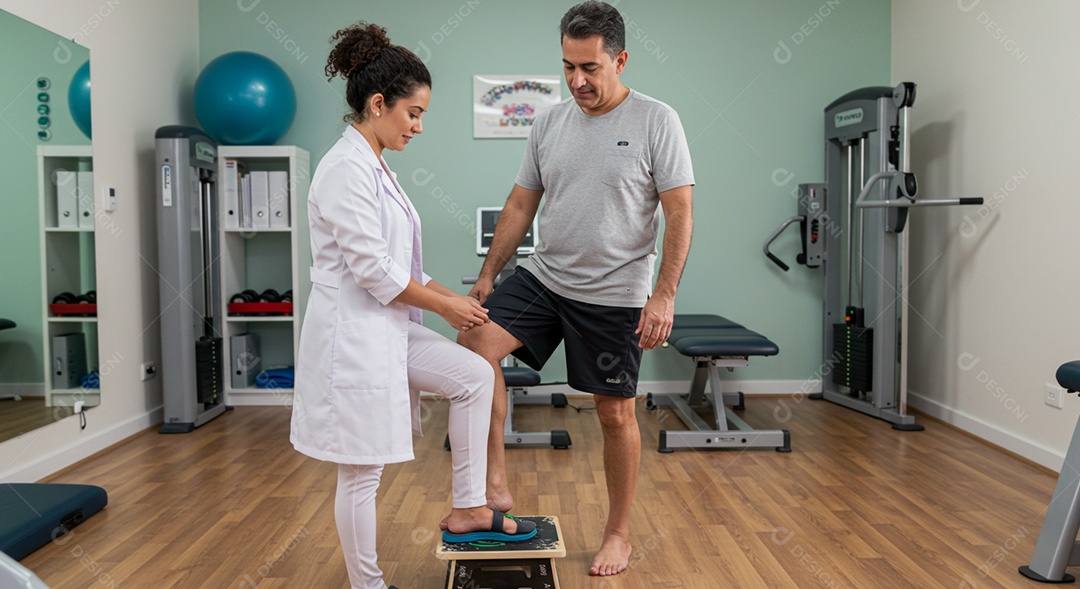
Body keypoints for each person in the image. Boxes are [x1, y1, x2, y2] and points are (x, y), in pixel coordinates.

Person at [290, 21, 535, 589]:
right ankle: (368, 585)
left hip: (387, 329)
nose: (419, 126)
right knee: (362, 473)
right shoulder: (344, 170)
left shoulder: (376, 166)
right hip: (353, 339)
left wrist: (459, 297)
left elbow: (403, 266)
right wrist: (447, 311)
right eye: (414, 113)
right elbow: (374, 272)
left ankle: (469, 507)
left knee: (474, 375)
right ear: (378, 104)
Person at [456, 1, 695, 577]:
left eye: (590, 67)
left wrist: (663, 295)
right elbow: (520, 204)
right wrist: (488, 275)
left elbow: (680, 212)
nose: (577, 80)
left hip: (615, 292)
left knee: (614, 416)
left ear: (620, 60)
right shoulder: (549, 123)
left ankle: (618, 533)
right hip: (546, 277)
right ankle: (495, 481)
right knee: (474, 347)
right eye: (568, 66)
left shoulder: (656, 120)